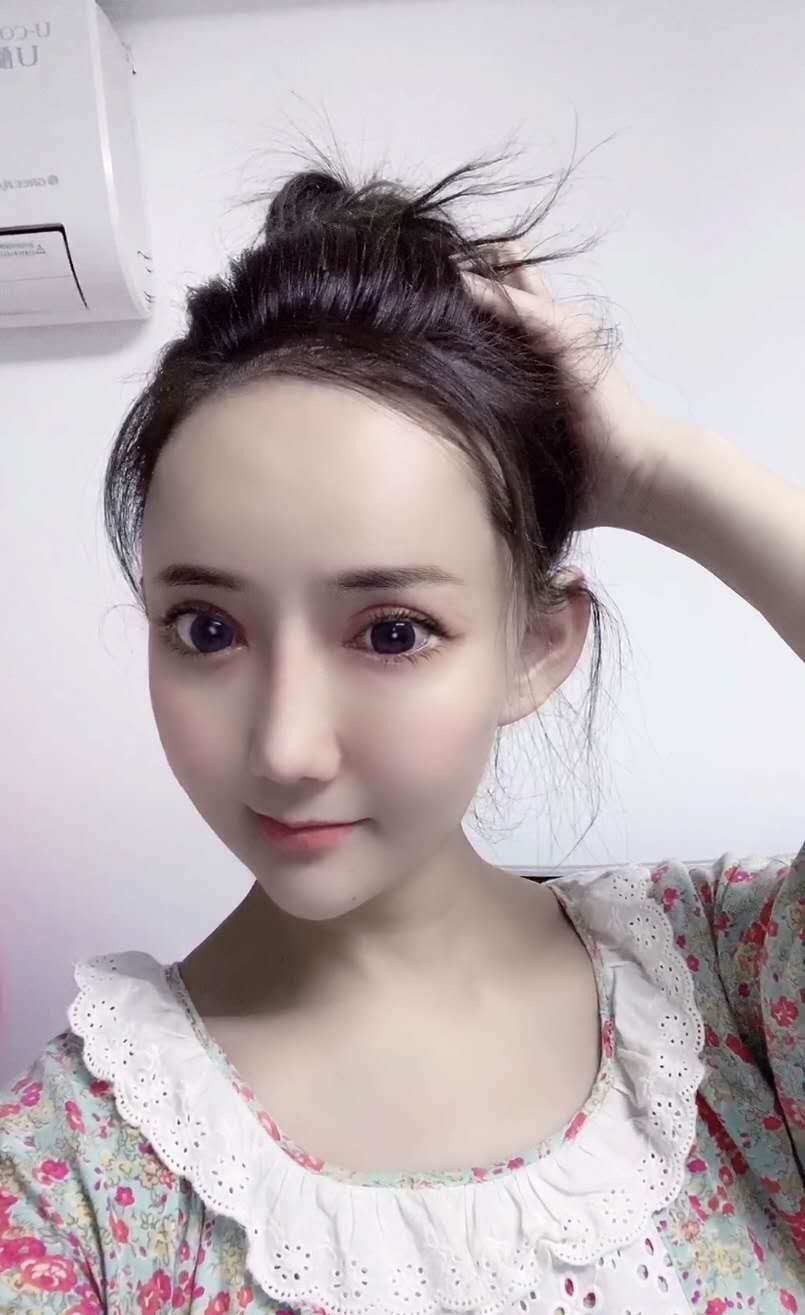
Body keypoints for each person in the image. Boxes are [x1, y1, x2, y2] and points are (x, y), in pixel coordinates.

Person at [1, 146, 802, 1315]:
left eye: (389, 632)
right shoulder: (72, 1175)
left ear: (535, 645)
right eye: (207, 629)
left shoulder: (729, 989)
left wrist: (658, 471)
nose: (285, 749)